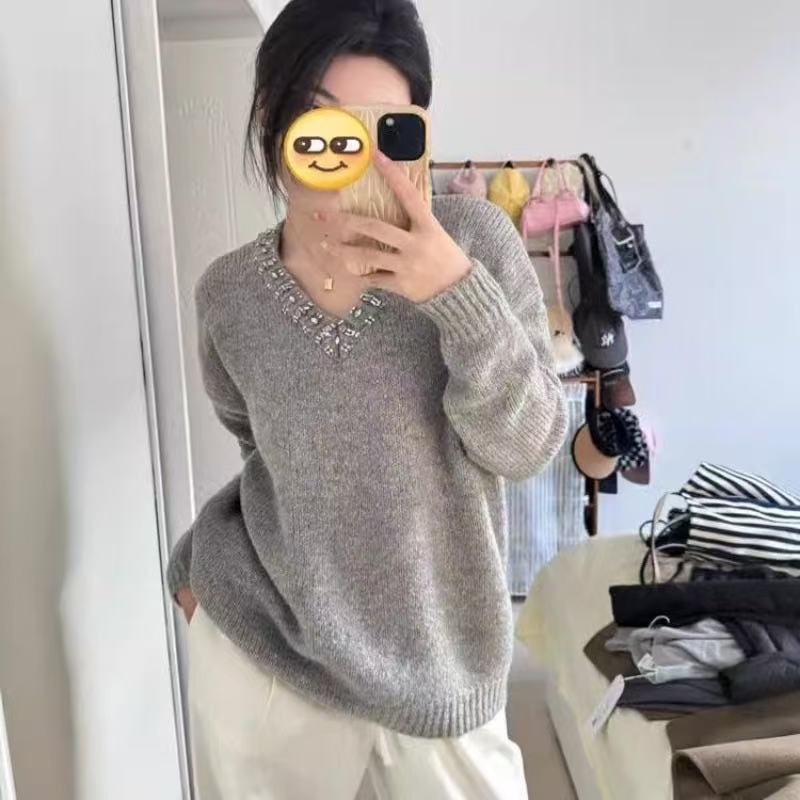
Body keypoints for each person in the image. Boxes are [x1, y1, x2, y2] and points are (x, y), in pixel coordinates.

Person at [166, 0, 568, 797]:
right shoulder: (230, 295)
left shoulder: (475, 243)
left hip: (442, 667)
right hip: (271, 661)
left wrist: (455, 293)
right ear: (271, 115)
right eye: (324, 120)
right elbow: (262, 449)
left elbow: (527, 447)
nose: (350, 153)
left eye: (384, 127)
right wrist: (196, 572)